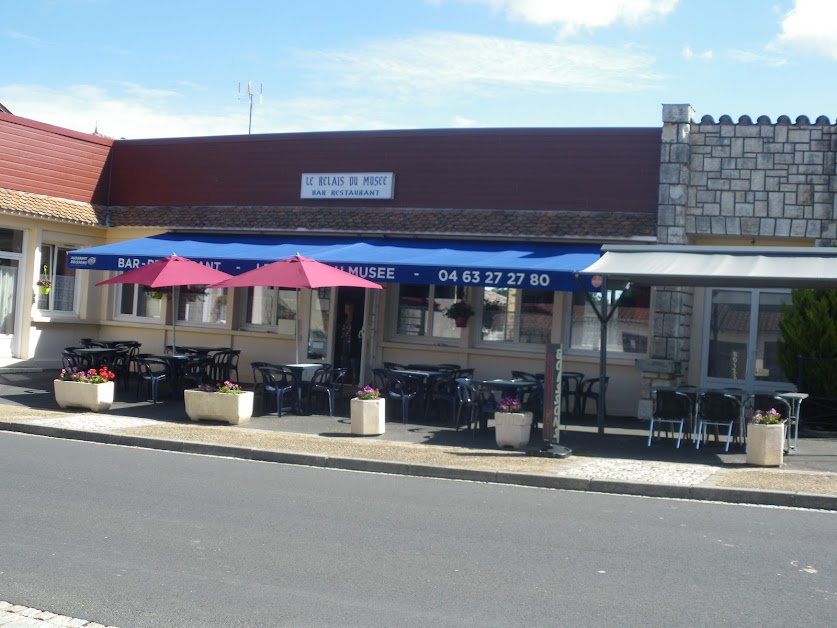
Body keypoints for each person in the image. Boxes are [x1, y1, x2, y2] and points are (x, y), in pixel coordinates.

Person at [337, 302, 361, 384]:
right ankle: (343, 376)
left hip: (353, 341)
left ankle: (355, 377)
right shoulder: (343, 318)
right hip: (344, 341)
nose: (348, 311)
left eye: (350, 309)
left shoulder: (356, 319)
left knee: (354, 359)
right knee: (344, 358)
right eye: (346, 309)